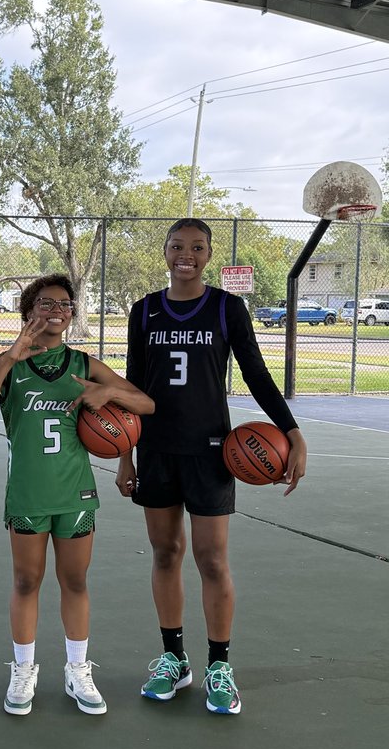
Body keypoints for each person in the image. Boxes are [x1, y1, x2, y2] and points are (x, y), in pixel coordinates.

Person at [117, 217, 308, 715]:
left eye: (197, 247)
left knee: (212, 559)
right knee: (164, 553)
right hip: (157, 450)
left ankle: (219, 664)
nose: (187, 255)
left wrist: (291, 431)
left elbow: (257, 374)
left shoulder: (227, 308)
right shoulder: (143, 312)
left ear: (208, 254)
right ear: (164, 251)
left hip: (211, 451)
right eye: (178, 246)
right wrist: (124, 456)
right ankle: (174, 659)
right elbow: (133, 390)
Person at [0, 274, 154, 717]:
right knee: (26, 581)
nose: (56, 311)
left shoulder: (84, 364)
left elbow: (147, 404)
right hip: (29, 493)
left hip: (76, 493)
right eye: (46, 303)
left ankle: (77, 669)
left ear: (72, 313)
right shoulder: (10, 364)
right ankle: (24, 668)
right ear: (29, 310)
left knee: (75, 581)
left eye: (65, 304)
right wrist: (9, 359)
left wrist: (109, 391)